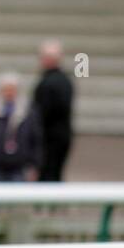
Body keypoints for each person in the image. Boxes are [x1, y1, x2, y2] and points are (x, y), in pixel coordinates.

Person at [0, 73, 41, 182]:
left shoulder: (27, 113)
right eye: (6, 90)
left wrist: (34, 165)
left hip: (18, 168)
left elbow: (35, 141)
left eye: (12, 89)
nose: (9, 93)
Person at [31, 39, 74, 182]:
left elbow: (41, 114)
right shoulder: (65, 80)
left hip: (48, 139)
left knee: (46, 175)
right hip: (62, 136)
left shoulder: (47, 83)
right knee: (56, 173)